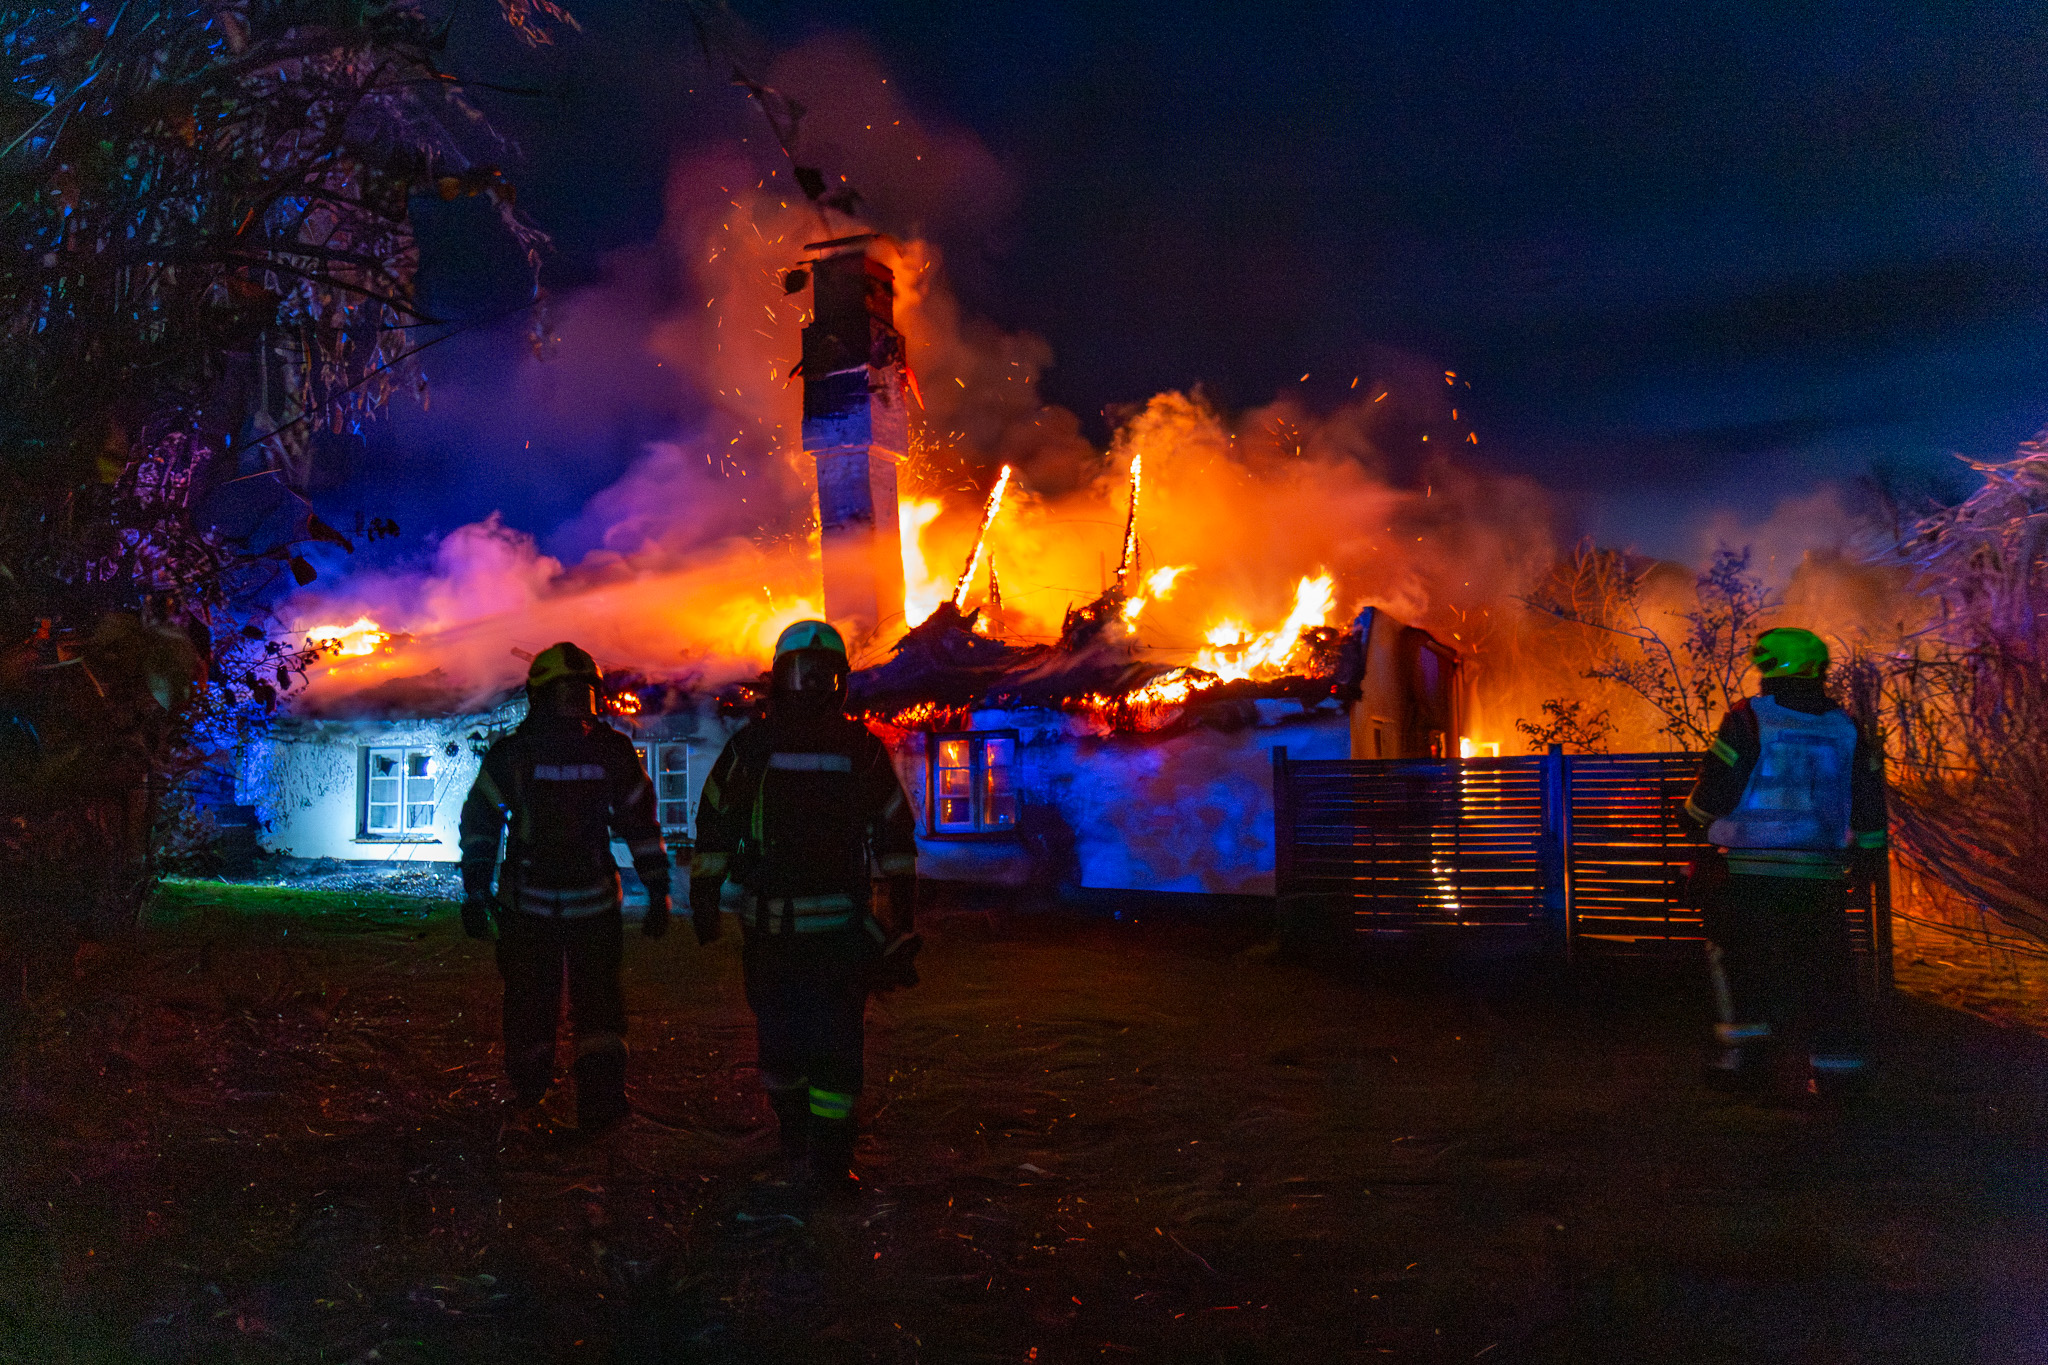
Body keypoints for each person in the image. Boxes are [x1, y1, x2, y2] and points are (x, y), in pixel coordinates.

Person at [689, 619, 920, 1194]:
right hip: (788, 936)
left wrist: (903, 913)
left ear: (839, 682)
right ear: (780, 678)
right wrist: (704, 895)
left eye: (823, 674)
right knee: (781, 1049)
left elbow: (894, 834)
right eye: (803, 673)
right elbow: (715, 824)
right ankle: (799, 1143)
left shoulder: (848, 748)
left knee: (834, 1052)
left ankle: (829, 1163)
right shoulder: (761, 747)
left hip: (828, 938)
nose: (813, 684)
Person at [457, 642, 672, 1133]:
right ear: (541, 697)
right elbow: (481, 824)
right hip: (558, 910)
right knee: (543, 1009)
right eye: (568, 694)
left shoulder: (525, 753)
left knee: (588, 1011)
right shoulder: (581, 753)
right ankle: (537, 1100)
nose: (578, 705)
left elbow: (641, 824)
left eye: (585, 694)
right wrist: (475, 889)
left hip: (550, 910)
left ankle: (594, 1103)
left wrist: (658, 889)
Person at [1682, 627, 1887, 1101]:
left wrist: (1691, 817)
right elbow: (1868, 800)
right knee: (1828, 974)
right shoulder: (1847, 727)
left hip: (1751, 874)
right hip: (1820, 875)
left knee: (1744, 969)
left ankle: (1745, 1067)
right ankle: (1839, 1073)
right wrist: (1868, 858)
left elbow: (1719, 785)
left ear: (1771, 667)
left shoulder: (1749, 719)